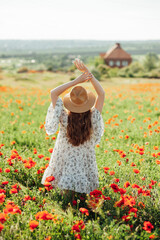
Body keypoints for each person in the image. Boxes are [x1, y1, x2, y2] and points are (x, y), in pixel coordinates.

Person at [41, 58, 105, 201]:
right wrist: (88, 73)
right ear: (87, 102)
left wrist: (77, 81)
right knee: (82, 193)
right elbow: (101, 93)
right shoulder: (93, 116)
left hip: (65, 156)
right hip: (84, 158)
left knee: (65, 192)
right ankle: (81, 198)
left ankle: (66, 200)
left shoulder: (63, 117)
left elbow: (53, 93)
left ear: (70, 102)